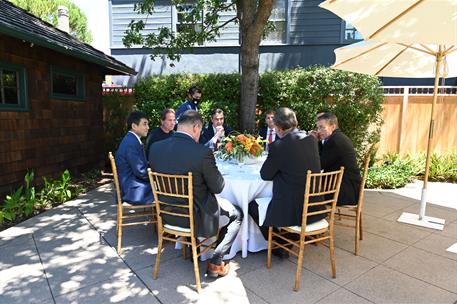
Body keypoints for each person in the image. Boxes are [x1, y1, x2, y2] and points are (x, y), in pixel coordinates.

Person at [148, 110, 243, 278]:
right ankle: (216, 262)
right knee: (237, 214)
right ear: (196, 127)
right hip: (196, 217)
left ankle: (193, 251)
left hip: (167, 214)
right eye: (199, 130)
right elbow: (219, 187)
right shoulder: (201, 153)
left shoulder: (156, 148)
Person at [249, 108, 326, 254]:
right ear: (295, 122)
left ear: (277, 128)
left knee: (252, 205)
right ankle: (288, 239)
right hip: (315, 205)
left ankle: (278, 245)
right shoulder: (311, 140)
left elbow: (265, 175)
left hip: (294, 210)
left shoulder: (279, 146)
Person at [316, 112, 361, 205]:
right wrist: (319, 142)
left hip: (344, 192)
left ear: (332, 127)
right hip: (346, 187)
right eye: (318, 127)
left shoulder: (335, 141)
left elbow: (319, 165)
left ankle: (316, 218)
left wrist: (313, 142)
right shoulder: (337, 137)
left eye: (322, 127)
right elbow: (324, 159)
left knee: (305, 193)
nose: (318, 131)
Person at [115, 111, 153, 205]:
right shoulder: (131, 143)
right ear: (134, 126)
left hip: (132, 185)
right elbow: (140, 171)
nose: (148, 127)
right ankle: (163, 218)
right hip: (132, 191)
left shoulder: (131, 139)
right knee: (165, 189)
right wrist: (155, 178)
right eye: (144, 124)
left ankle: (158, 217)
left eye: (147, 124)